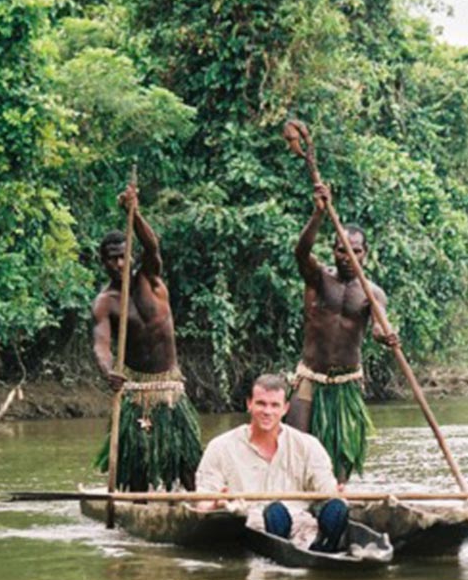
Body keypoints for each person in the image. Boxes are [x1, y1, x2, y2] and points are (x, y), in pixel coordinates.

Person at [283, 182, 399, 482]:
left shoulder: (372, 293)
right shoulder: (319, 279)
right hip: (310, 376)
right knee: (295, 445)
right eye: (341, 249)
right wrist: (318, 214)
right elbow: (301, 250)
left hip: (346, 383)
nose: (347, 256)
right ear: (333, 250)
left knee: (342, 454)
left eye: (354, 251)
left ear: (364, 253)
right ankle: (293, 505)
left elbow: (377, 324)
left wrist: (386, 335)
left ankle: (338, 503)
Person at [91, 183, 201, 492]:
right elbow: (101, 345)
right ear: (103, 261)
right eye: (111, 259)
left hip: (169, 386)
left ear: (132, 256)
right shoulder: (105, 302)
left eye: (123, 256)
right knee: (137, 463)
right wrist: (109, 371)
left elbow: (152, 246)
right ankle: (138, 514)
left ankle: (193, 507)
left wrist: (134, 213)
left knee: (187, 459)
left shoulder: (151, 278)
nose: (119, 264)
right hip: (135, 389)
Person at [196, 374, 349, 552]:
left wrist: (337, 495)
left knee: (337, 509)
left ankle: (325, 545)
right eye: (261, 403)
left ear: (285, 409)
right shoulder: (220, 447)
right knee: (275, 512)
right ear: (249, 404)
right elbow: (202, 502)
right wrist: (217, 504)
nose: (267, 411)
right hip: (249, 524)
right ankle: (285, 546)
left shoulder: (308, 445)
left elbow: (326, 488)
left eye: (275, 405)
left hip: (302, 527)